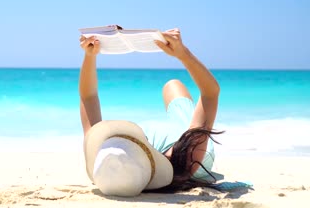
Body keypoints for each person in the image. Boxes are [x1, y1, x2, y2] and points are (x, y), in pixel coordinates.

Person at [79, 28, 223, 196]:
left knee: (172, 86)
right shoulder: (186, 158)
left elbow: (88, 96)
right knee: (173, 85)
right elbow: (210, 93)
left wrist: (90, 56)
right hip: (181, 138)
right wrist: (182, 54)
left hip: (158, 144)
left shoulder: (107, 164)